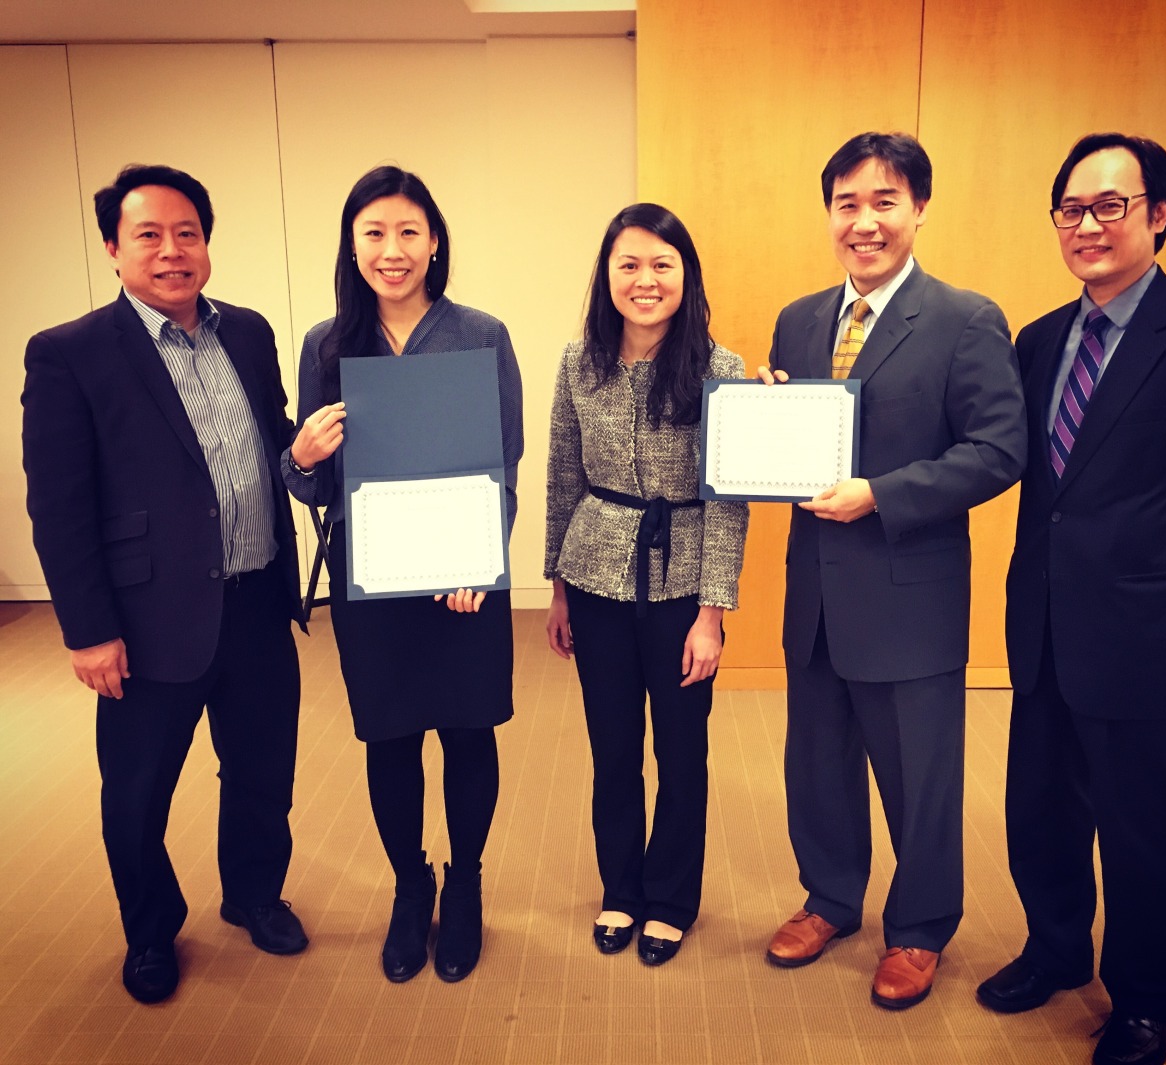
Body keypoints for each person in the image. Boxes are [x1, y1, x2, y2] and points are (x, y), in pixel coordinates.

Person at [977, 133, 1166, 1065]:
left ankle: (1146, 997)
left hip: (1142, 632)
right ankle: (1058, 948)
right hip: (1043, 623)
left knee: (1143, 826)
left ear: (1158, 214)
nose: (1088, 225)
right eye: (1071, 208)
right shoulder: (1039, 340)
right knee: (1040, 807)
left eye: (1111, 205)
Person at [21, 164, 309, 1005]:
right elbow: (59, 506)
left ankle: (253, 893)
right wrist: (87, 629)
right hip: (148, 620)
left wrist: (311, 449)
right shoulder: (71, 353)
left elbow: (273, 441)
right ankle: (150, 930)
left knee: (263, 769)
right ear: (113, 249)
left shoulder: (247, 333)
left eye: (187, 233)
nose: (172, 251)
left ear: (206, 243)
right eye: (148, 235)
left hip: (256, 599)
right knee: (139, 790)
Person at [758, 132, 1026, 1008]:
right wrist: (767, 424)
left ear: (919, 209)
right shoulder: (800, 320)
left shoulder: (965, 318)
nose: (864, 222)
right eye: (848, 204)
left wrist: (881, 493)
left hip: (911, 595)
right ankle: (831, 898)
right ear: (829, 213)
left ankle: (919, 927)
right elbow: (801, 444)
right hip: (817, 595)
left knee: (920, 778)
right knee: (817, 765)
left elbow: (999, 450)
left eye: (885, 202)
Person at [285, 165, 523, 985]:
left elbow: (504, 462)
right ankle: (410, 885)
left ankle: (466, 884)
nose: (392, 250)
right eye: (374, 233)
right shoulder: (327, 343)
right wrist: (300, 456)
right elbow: (317, 486)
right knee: (388, 735)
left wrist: (479, 560)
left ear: (434, 242)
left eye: (408, 232)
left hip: (463, 575)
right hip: (373, 576)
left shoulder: (482, 334)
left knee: (467, 730)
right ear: (352, 247)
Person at [544, 203, 748, 966]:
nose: (645, 279)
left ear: (686, 274)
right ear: (607, 274)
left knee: (682, 752)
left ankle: (670, 899)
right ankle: (621, 888)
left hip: (683, 581)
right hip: (594, 572)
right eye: (628, 264)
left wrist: (712, 614)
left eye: (662, 264)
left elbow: (728, 501)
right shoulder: (578, 361)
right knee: (613, 749)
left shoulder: (720, 368)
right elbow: (563, 477)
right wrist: (558, 589)